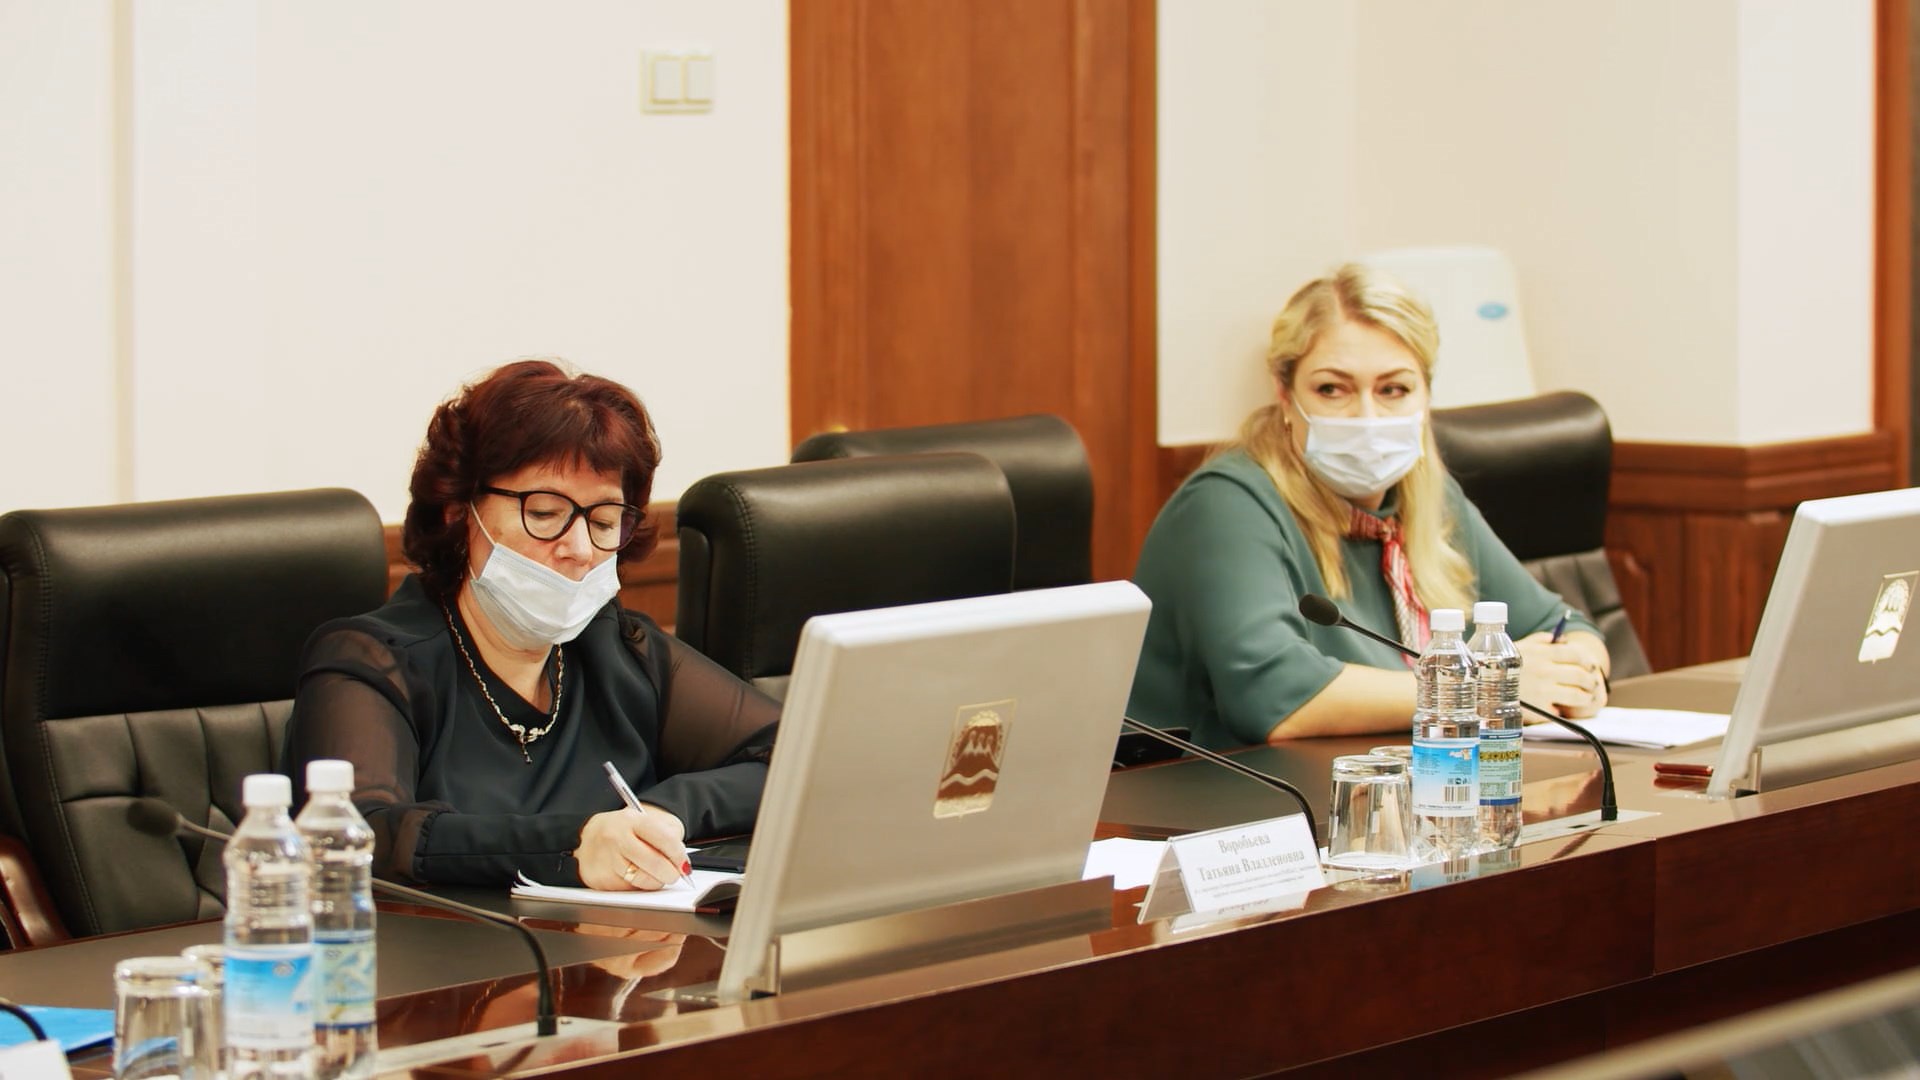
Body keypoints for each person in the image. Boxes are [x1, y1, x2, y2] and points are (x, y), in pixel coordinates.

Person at [286, 360, 778, 890]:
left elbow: (792, 754)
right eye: (544, 514)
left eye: (604, 520)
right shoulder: (371, 660)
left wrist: (660, 813)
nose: (580, 549)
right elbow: (365, 833)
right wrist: (576, 844)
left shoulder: (617, 648)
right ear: (458, 512)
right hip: (446, 943)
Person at [1128, 264, 1610, 747]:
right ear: (1284, 394)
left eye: (1393, 390)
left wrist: (1578, 675)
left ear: (1426, 395)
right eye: (1331, 389)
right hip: (1224, 791)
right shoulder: (1225, 505)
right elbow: (1275, 699)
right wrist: (1484, 689)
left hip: (1397, 781)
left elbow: (1565, 627)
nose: (1367, 416)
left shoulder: (1427, 497)